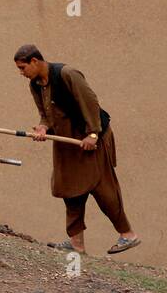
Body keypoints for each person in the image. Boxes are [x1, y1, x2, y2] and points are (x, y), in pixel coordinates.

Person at [13, 44, 140, 255]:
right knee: (69, 188)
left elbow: (90, 101)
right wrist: (43, 127)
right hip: (67, 142)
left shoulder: (67, 74)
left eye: (22, 67)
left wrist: (92, 134)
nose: (21, 73)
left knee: (102, 187)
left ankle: (128, 235)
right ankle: (76, 243)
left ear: (35, 61)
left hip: (91, 139)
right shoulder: (36, 85)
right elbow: (46, 114)